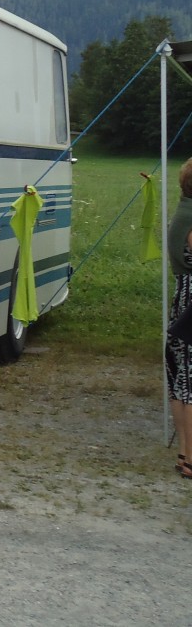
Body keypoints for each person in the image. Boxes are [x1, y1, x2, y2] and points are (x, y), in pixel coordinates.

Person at [166, 158, 192, 479]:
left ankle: (185, 453)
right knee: (188, 381)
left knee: (180, 378)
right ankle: (189, 459)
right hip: (190, 298)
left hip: (183, 295)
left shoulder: (183, 210)